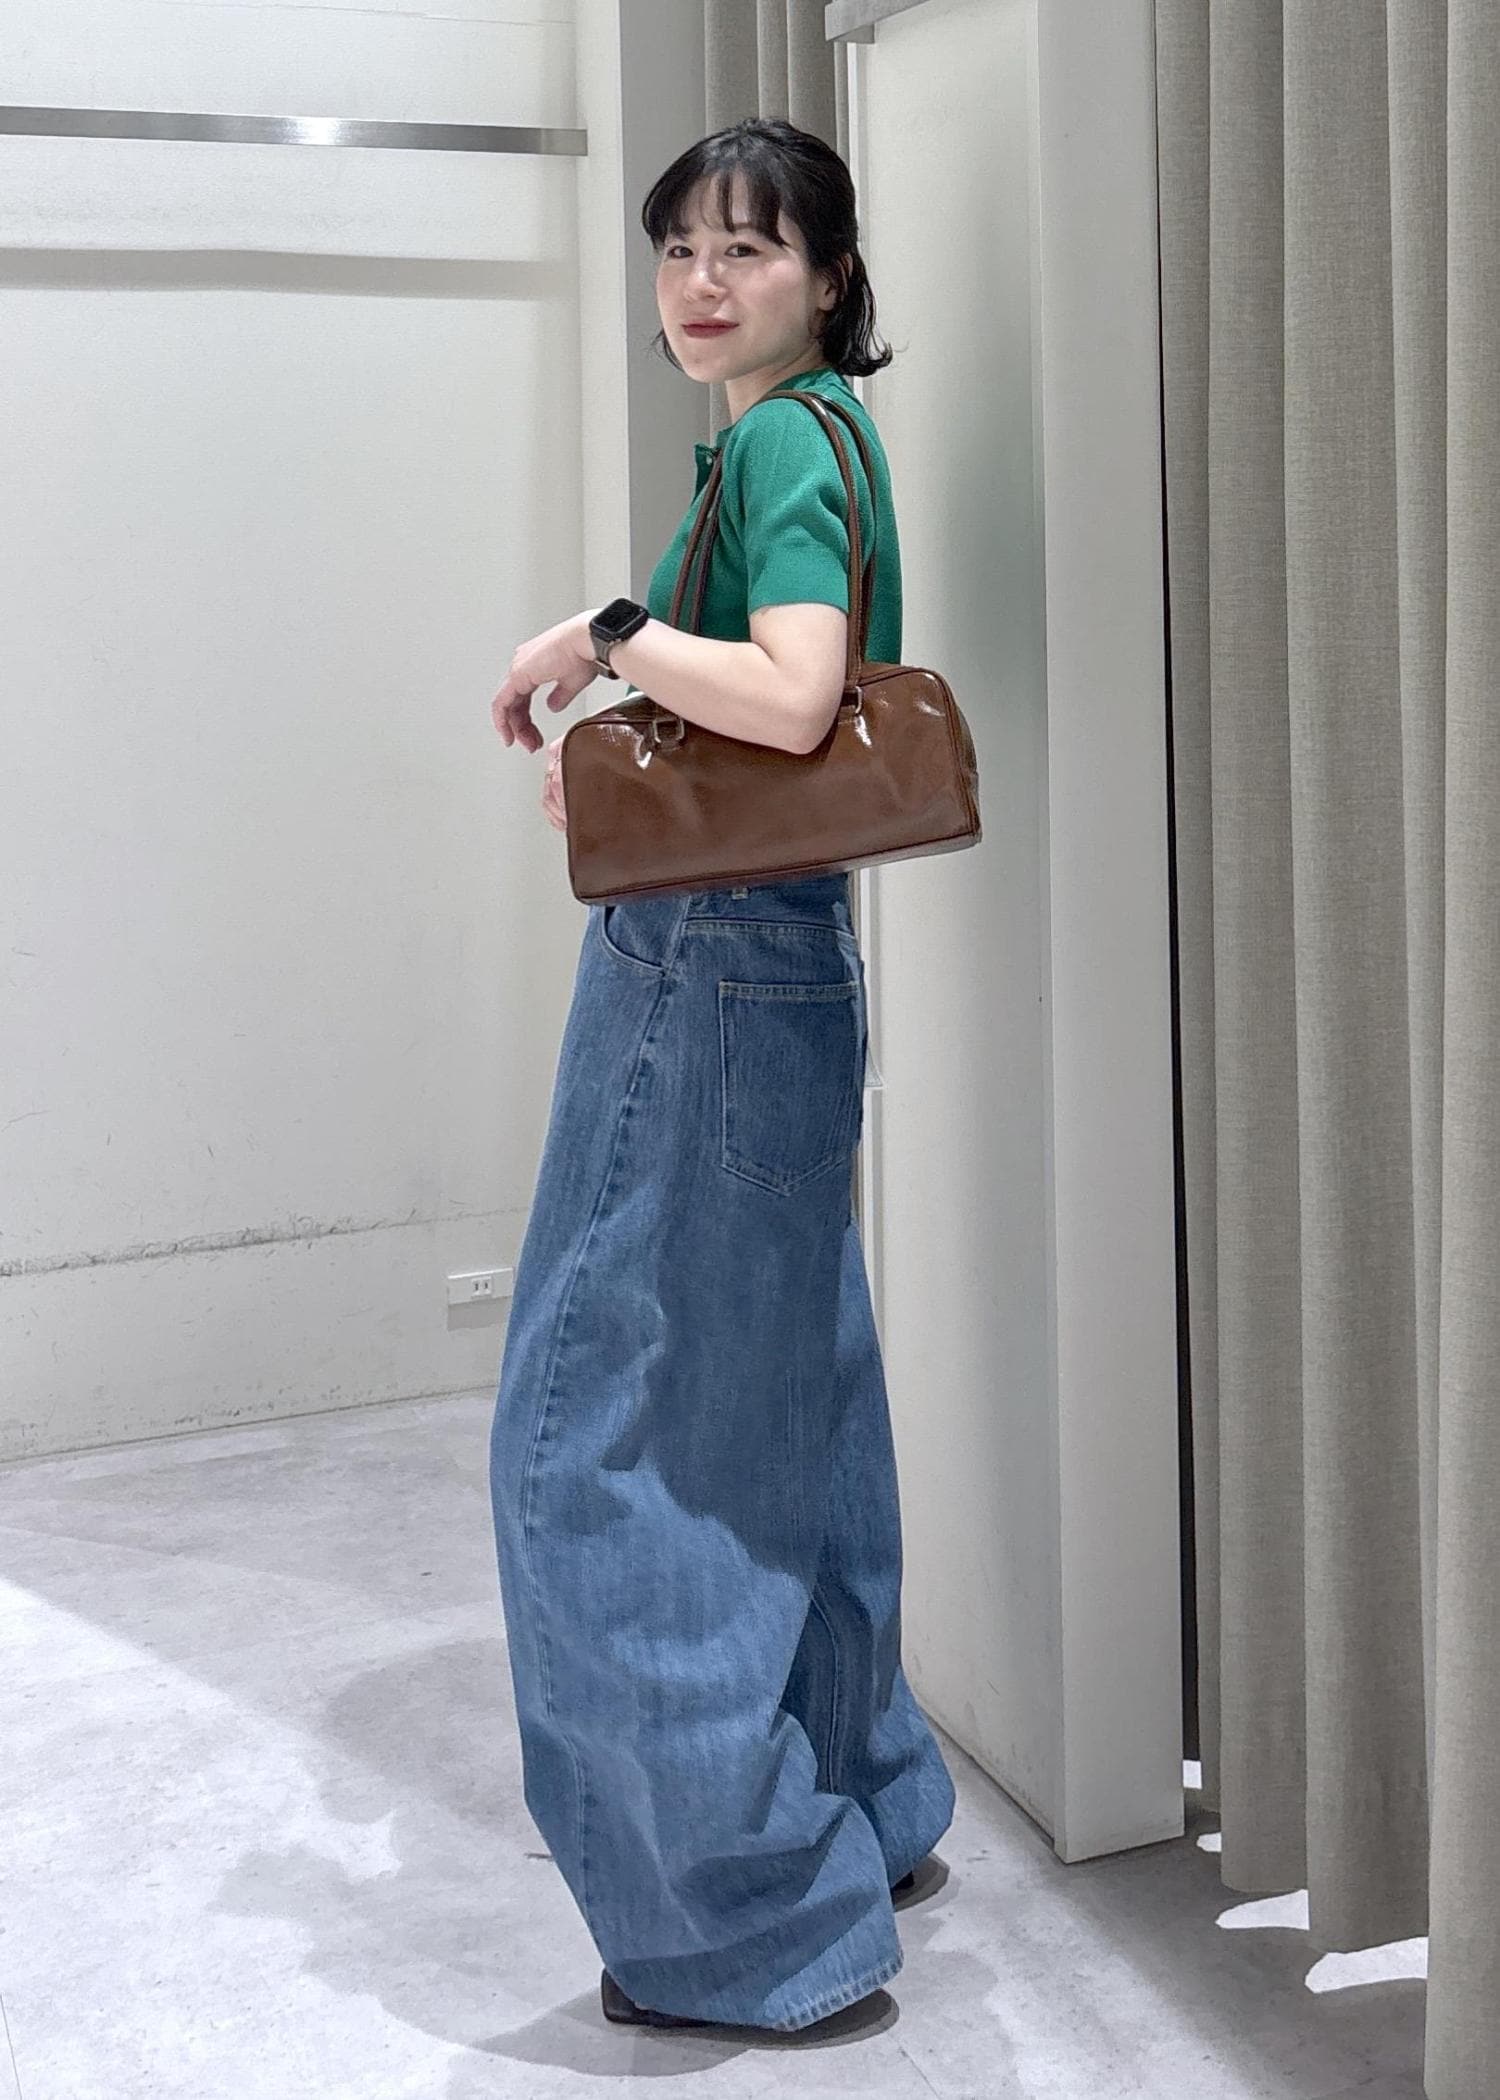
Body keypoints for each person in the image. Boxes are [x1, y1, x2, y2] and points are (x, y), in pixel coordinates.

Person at [486, 115, 955, 2038]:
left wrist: (611, 634)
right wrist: (608, 650)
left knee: (588, 1434)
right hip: (787, 955)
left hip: (705, 960)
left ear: (828, 277)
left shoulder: (776, 441)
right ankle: (863, 1802)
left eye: (749, 250)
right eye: (680, 247)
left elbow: (790, 688)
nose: (701, 281)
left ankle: (745, 1920)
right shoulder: (819, 434)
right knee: (792, 1402)